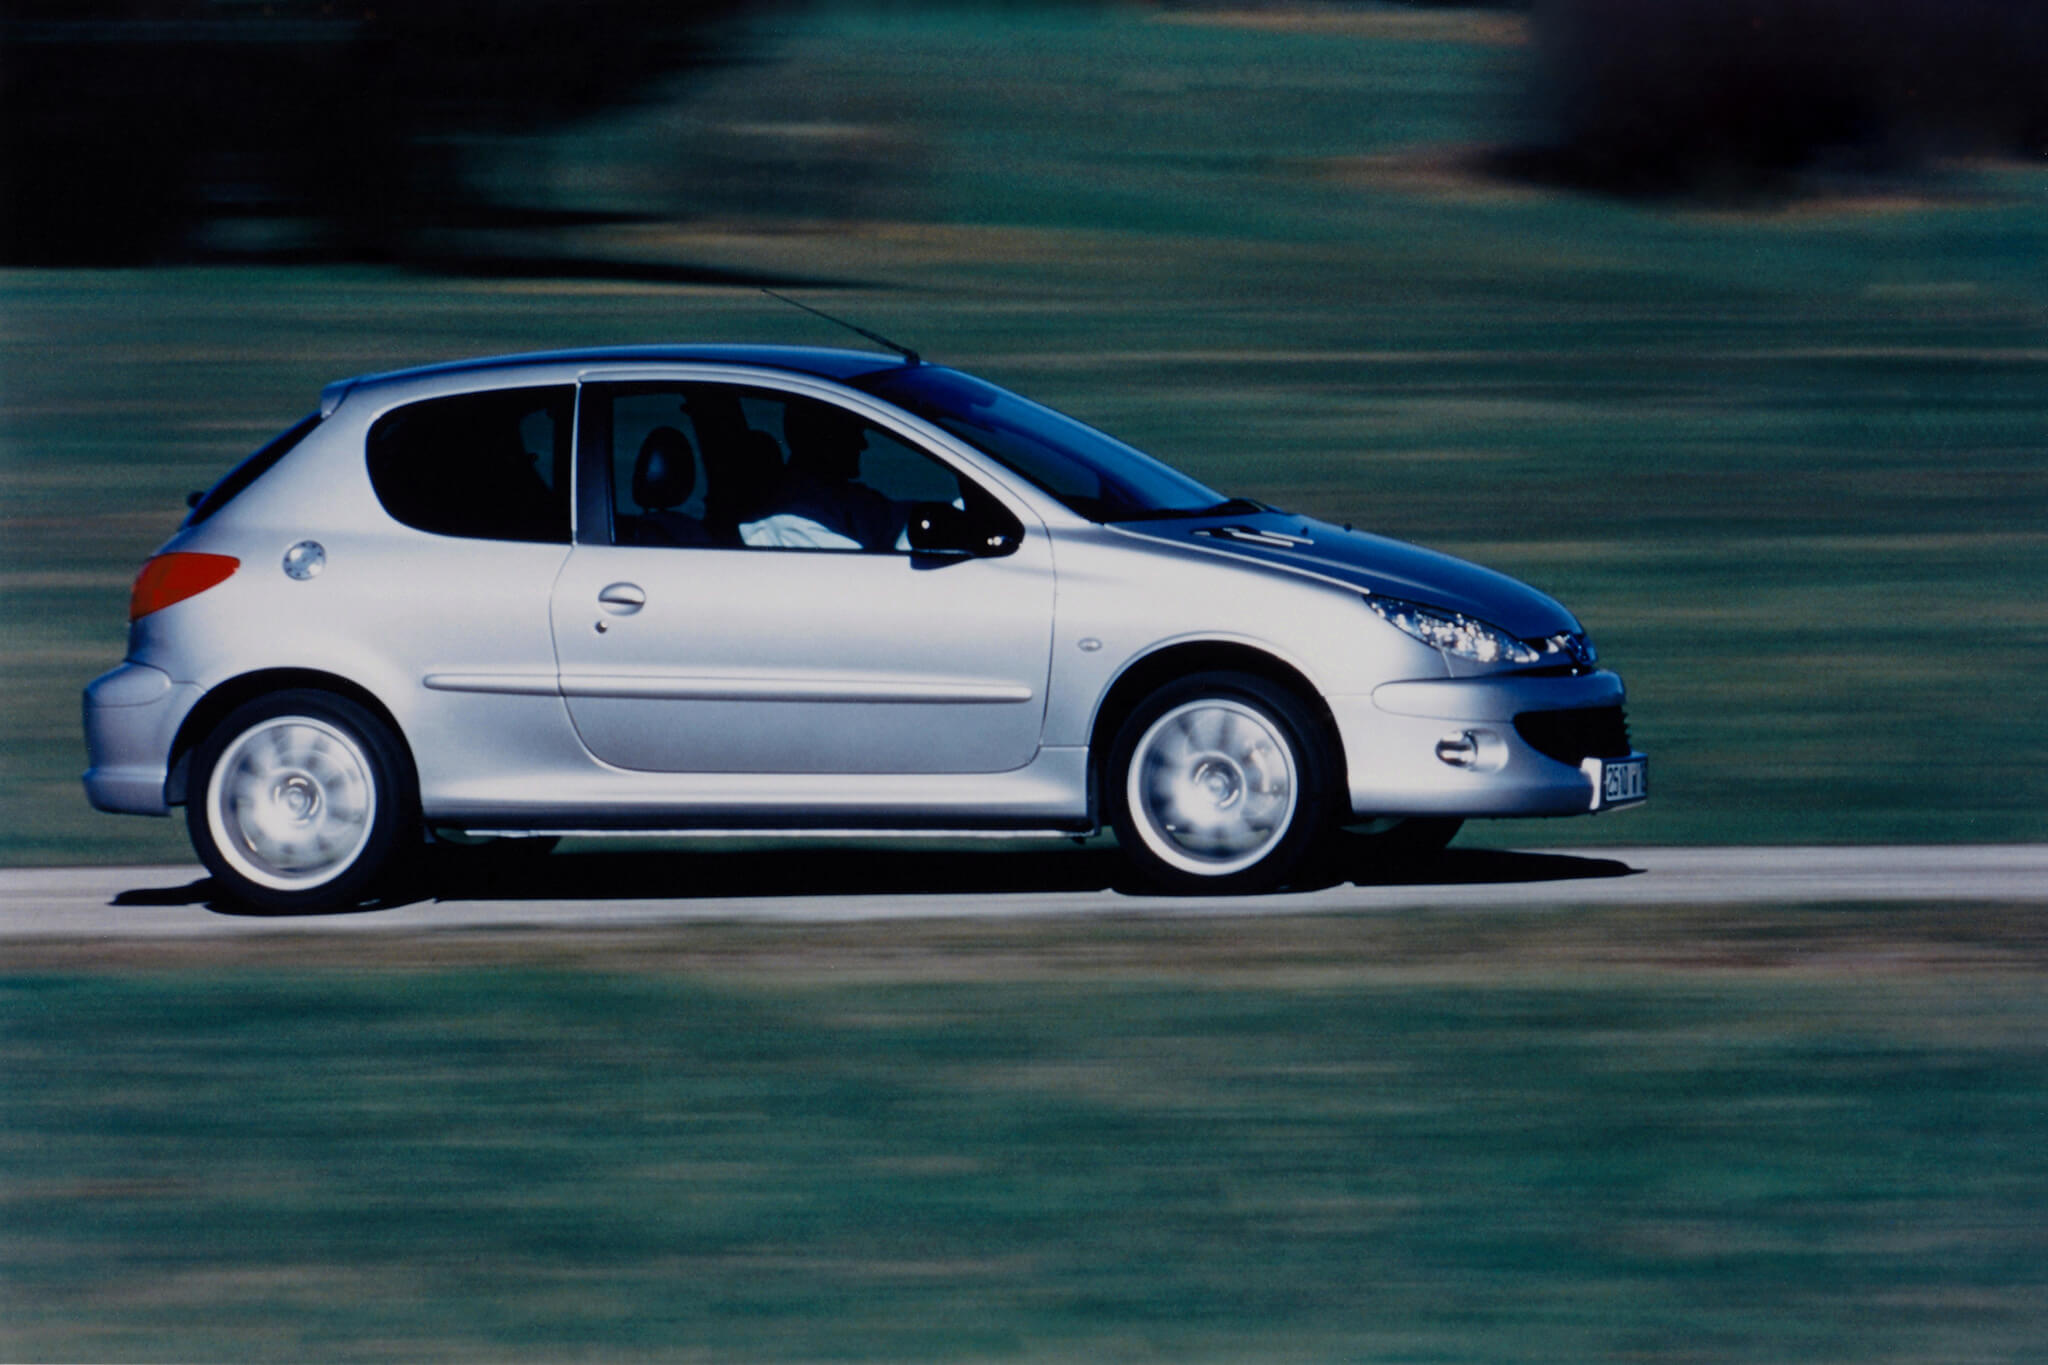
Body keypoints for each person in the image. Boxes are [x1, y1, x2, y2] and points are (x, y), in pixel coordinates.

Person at [741, 400, 901, 551]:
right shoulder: (792, 521)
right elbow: (857, 574)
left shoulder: (840, 495)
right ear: (823, 436)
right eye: (852, 432)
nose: (864, 444)